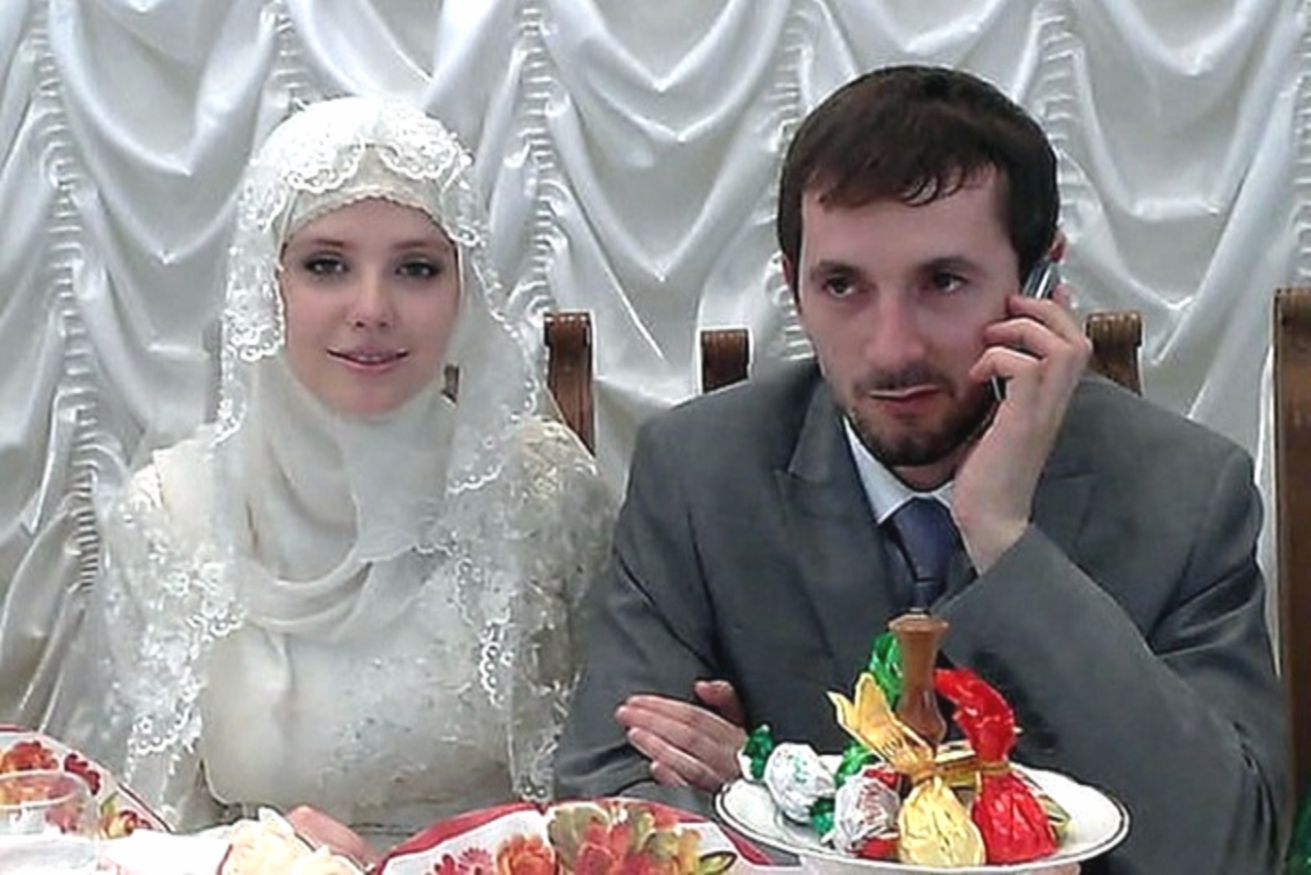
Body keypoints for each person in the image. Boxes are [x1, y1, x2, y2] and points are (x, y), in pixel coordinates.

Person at [555, 65, 1288, 873]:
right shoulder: (698, 474)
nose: (891, 347)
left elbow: (1229, 849)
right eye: (841, 285)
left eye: (942, 282)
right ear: (792, 288)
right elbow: (610, 802)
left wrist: (1003, 539)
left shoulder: (1185, 492)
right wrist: (829, 812)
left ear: (1040, 280)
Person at [51, 96, 611, 853]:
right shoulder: (172, 515)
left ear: (464, 289)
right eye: (326, 265)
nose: (372, 308)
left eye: (416, 268)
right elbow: (141, 831)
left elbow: (605, 800)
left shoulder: (544, 495)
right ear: (266, 284)